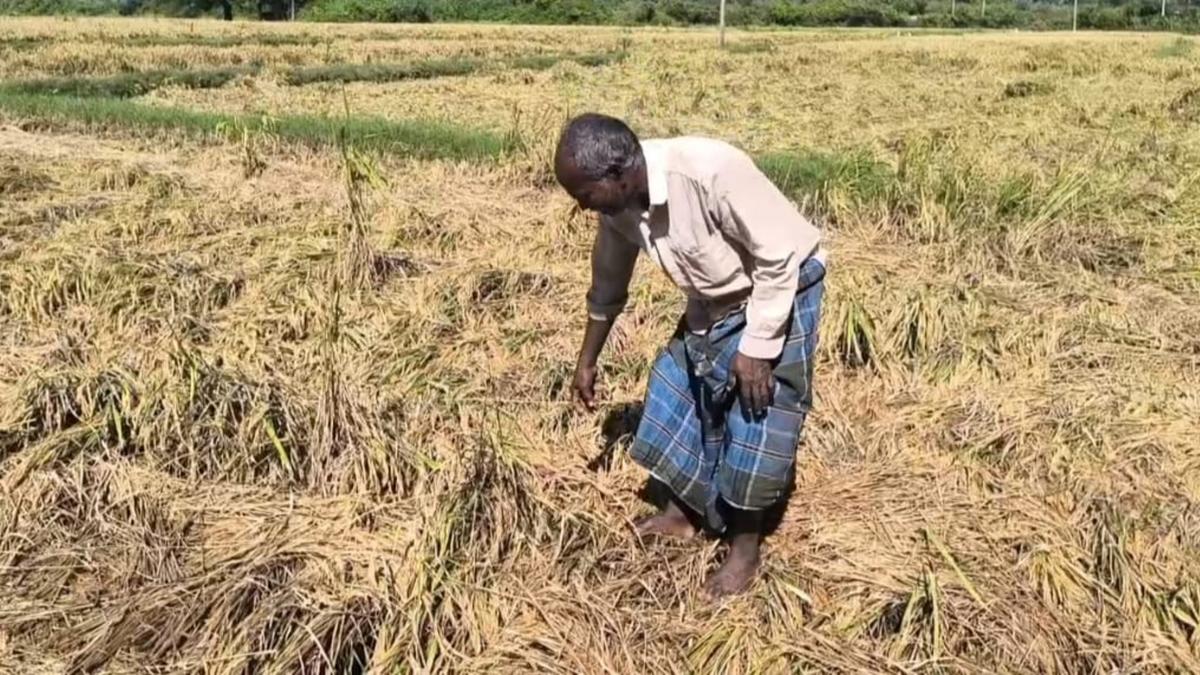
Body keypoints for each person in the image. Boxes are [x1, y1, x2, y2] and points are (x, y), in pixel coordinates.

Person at [554, 113, 827, 597]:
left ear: (618, 175)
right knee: (674, 388)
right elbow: (608, 283)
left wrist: (760, 347)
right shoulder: (618, 210)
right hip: (713, 300)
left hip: (782, 285)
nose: (580, 207)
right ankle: (682, 514)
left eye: (583, 194)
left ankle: (745, 550)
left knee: (756, 414)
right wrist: (587, 359)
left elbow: (779, 258)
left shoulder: (707, 172)